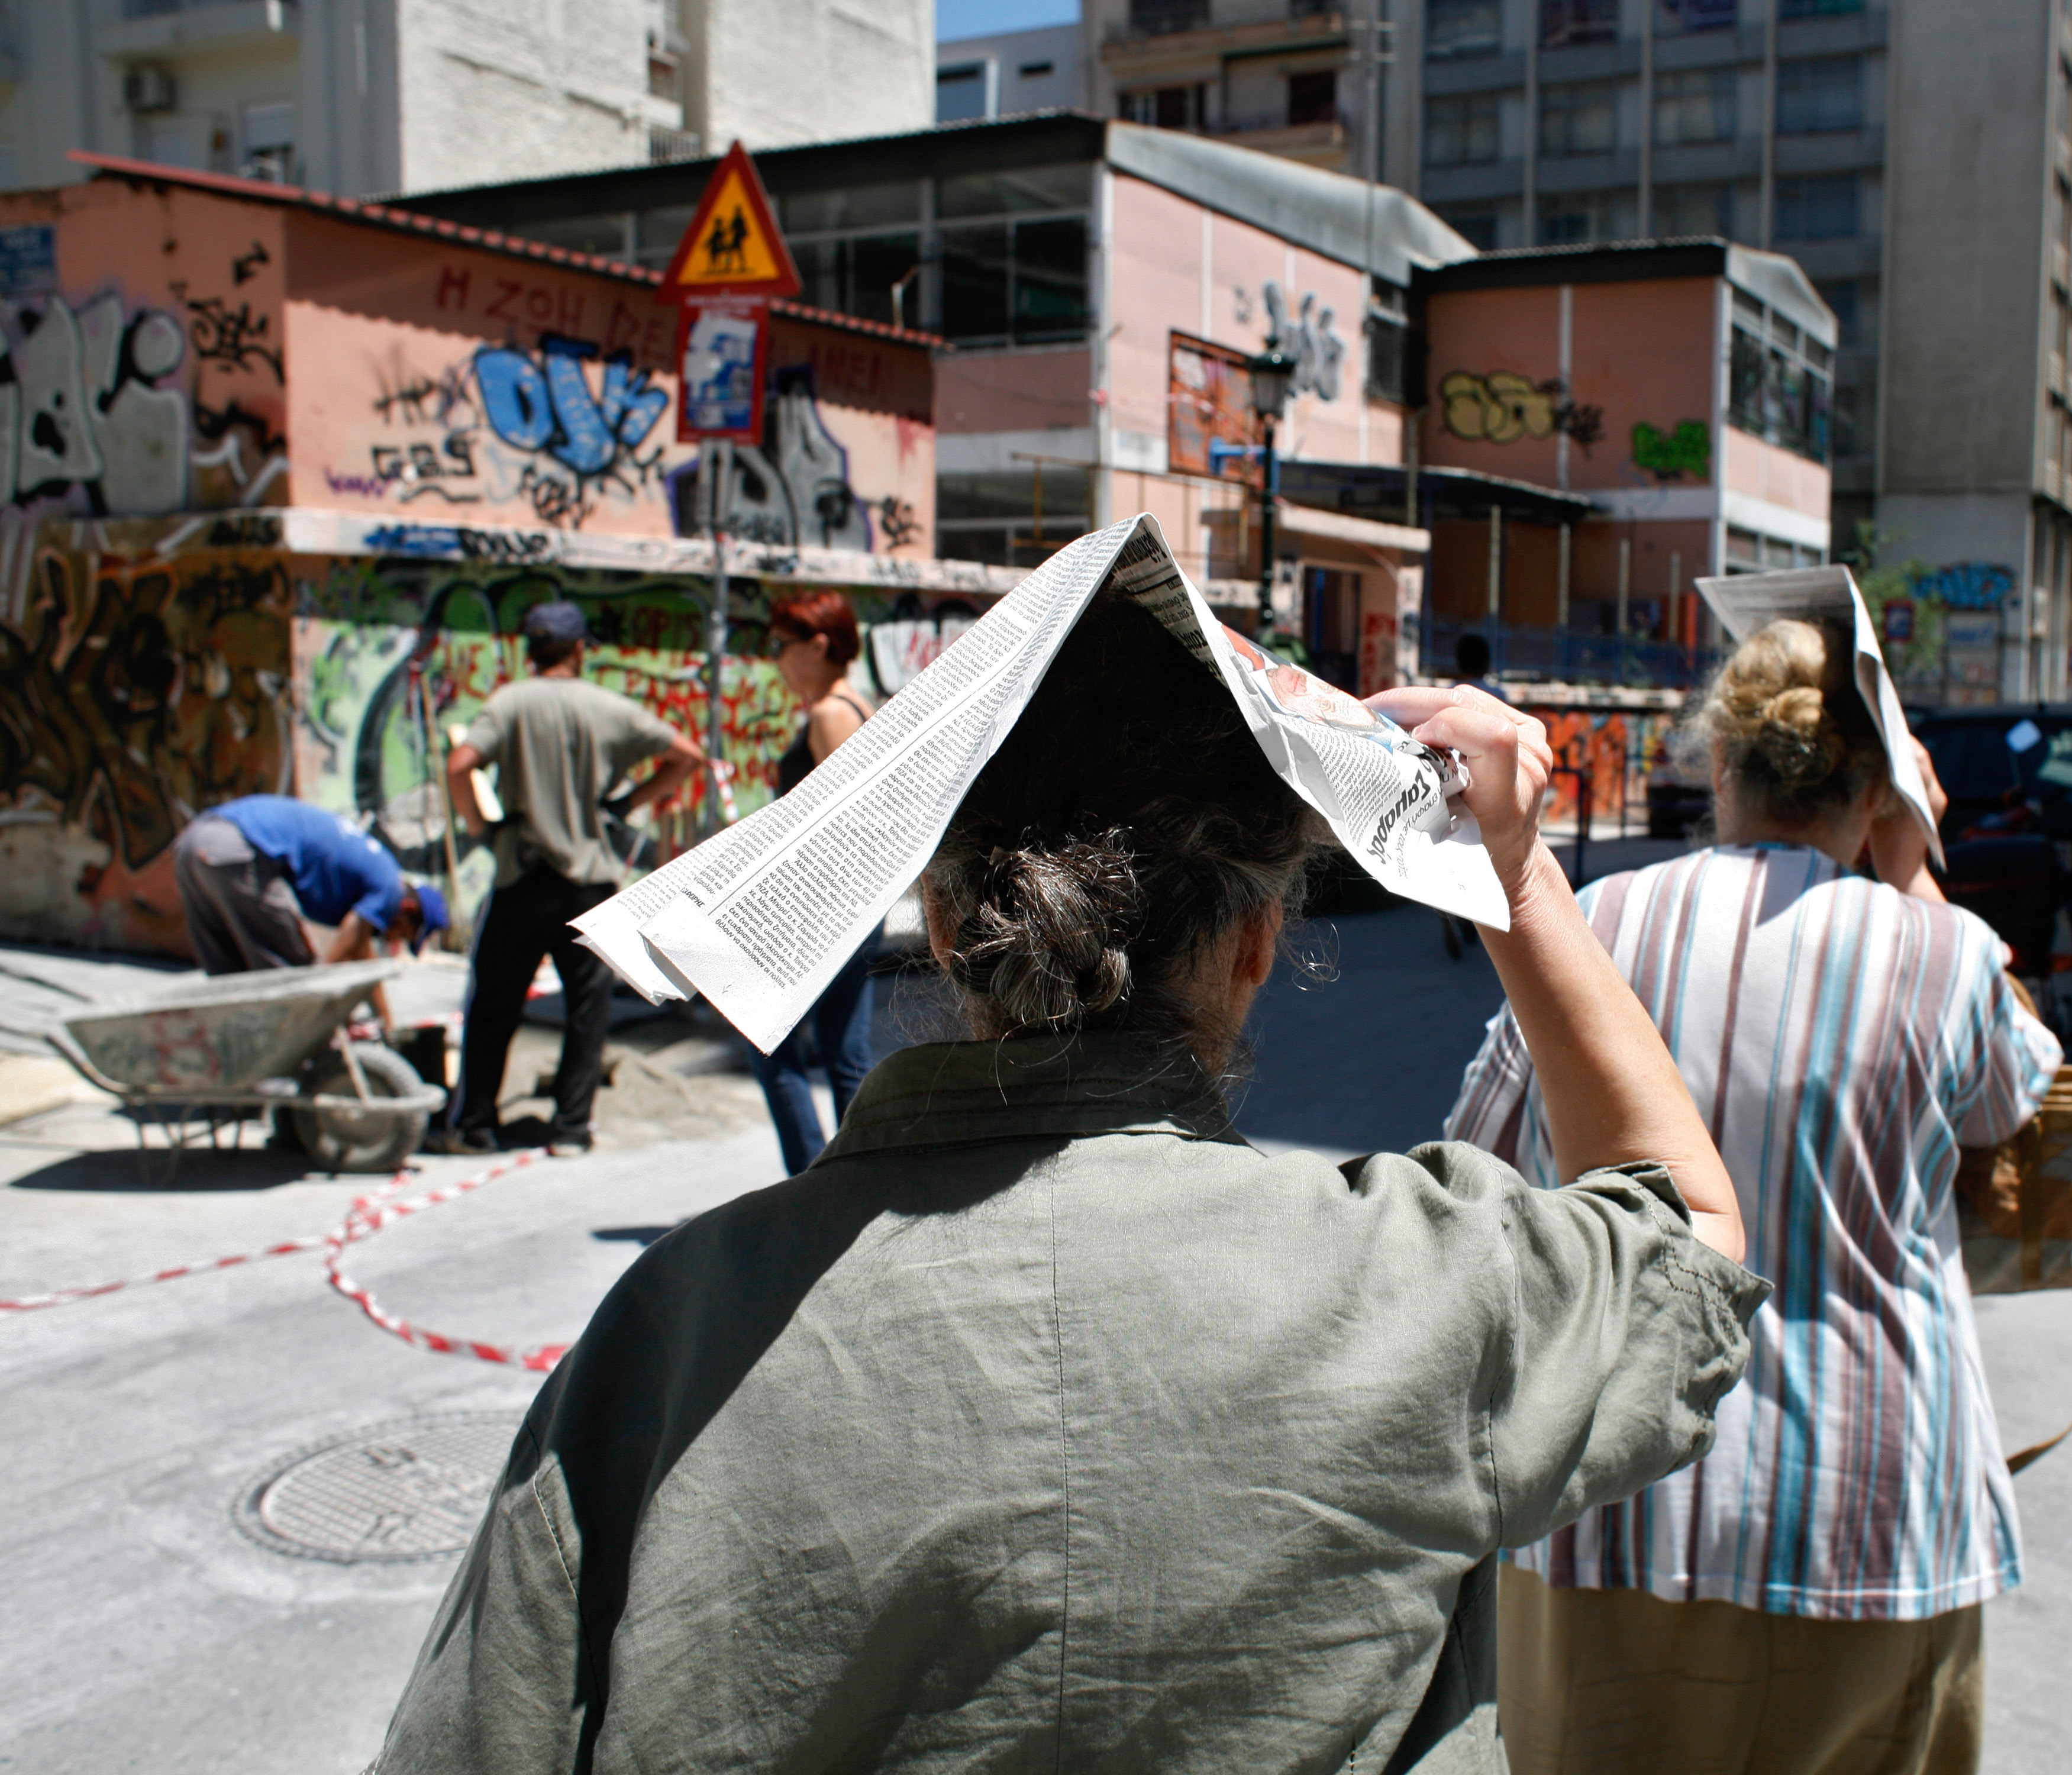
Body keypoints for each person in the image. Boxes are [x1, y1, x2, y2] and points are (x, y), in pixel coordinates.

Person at [372, 592, 1767, 1773]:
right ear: (1253, 946)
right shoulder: (1424, 1275)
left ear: (939, 921)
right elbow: (1693, 1237)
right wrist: (1514, 872)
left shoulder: (663, 1338)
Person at [1448, 616, 2063, 1775]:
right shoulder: (1949, 952)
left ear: (1719, 764)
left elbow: (1475, 1152)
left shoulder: (1602, 923)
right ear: (1875, 790)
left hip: (1617, 1494)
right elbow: (2021, 1116)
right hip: (1880, 1511)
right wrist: (1916, 865)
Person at [438, 602, 705, 1157]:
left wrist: (481, 827)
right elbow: (687, 755)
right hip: (591, 882)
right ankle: (572, 1127)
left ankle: (478, 1124)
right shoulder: (607, 706)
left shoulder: (510, 703)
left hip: (524, 874)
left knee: (495, 1003)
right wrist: (629, 801)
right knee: (587, 1009)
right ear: (580, 648)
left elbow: (460, 765)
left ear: (530, 651)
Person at [750, 590, 882, 1175]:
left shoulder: (831, 713)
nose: (775, 659)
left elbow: (845, 822)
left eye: (781, 645)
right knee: (844, 1053)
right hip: (851, 907)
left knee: (769, 1046)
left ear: (818, 644)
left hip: (822, 908)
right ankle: (851, 1185)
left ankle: (812, 1180)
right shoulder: (859, 703)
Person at [171, 793, 447, 1032]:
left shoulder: (376, 868)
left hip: (193, 844)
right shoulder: (390, 888)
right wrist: (326, 1001)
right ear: (408, 910)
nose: (391, 940)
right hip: (241, 849)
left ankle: (237, 1068)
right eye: (403, 934)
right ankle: (294, 1071)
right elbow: (354, 940)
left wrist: (381, 1018)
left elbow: (362, 956)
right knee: (296, 984)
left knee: (230, 981)